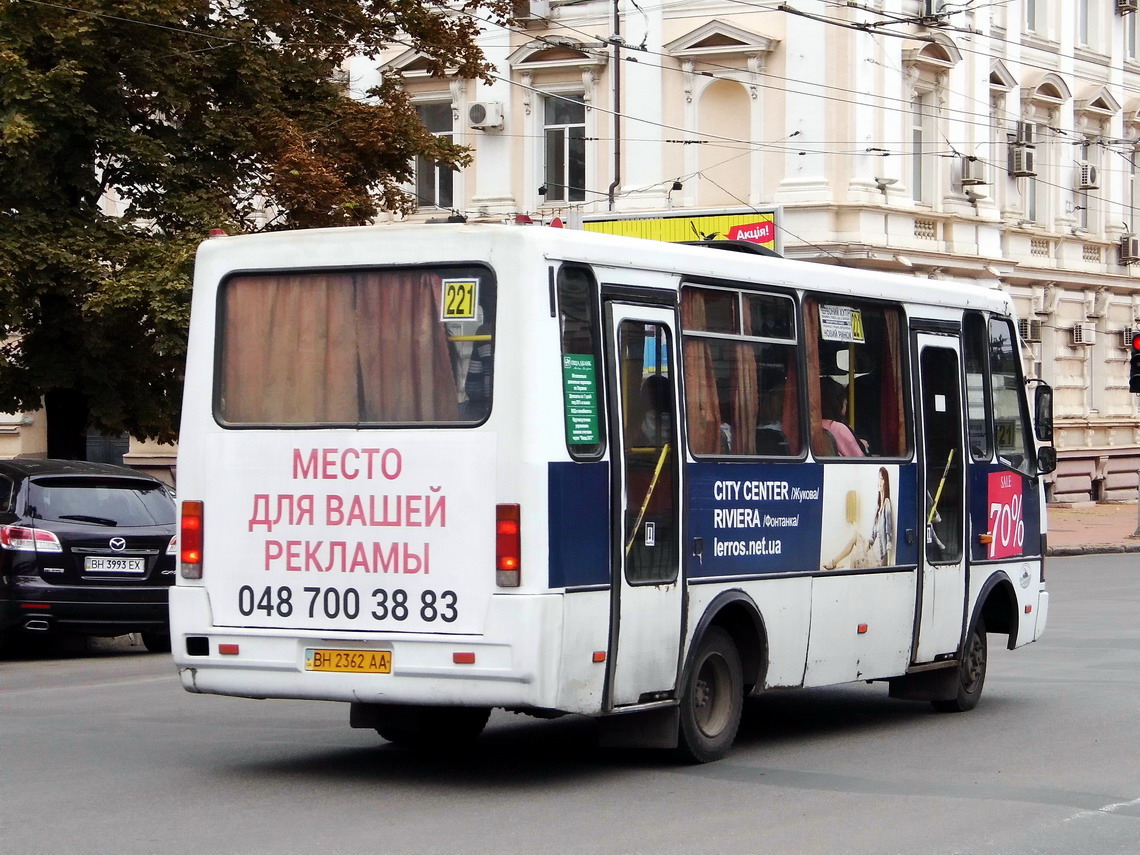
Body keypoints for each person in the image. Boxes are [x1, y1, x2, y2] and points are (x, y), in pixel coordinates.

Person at [825, 467, 895, 570]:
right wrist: (864, 544)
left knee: (854, 558)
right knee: (855, 536)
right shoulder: (877, 508)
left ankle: (836, 566)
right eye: (878, 478)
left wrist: (888, 563)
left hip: (878, 558)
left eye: (882, 479)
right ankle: (834, 562)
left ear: (886, 482)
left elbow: (889, 533)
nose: (879, 482)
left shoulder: (886, 504)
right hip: (872, 550)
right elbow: (874, 538)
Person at [819, 377, 865, 457]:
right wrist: (862, 446)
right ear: (836, 403)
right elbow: (859, 459)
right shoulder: (837, 428)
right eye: (844, 401)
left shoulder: (810, 425)